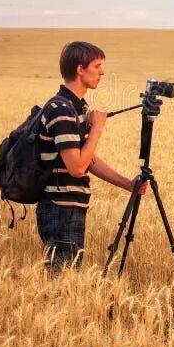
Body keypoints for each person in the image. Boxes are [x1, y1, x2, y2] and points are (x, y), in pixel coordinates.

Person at [36, 41, 147, 273]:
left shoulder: (74, 108)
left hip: (68, 208)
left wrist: (128, 184)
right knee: (63, 285)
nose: (102, 72)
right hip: (61, 209)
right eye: (97, 66)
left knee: (66, 281)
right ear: (80, 69)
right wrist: (97, 128)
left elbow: (88, 160)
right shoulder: (62, 109)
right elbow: (77, 167)